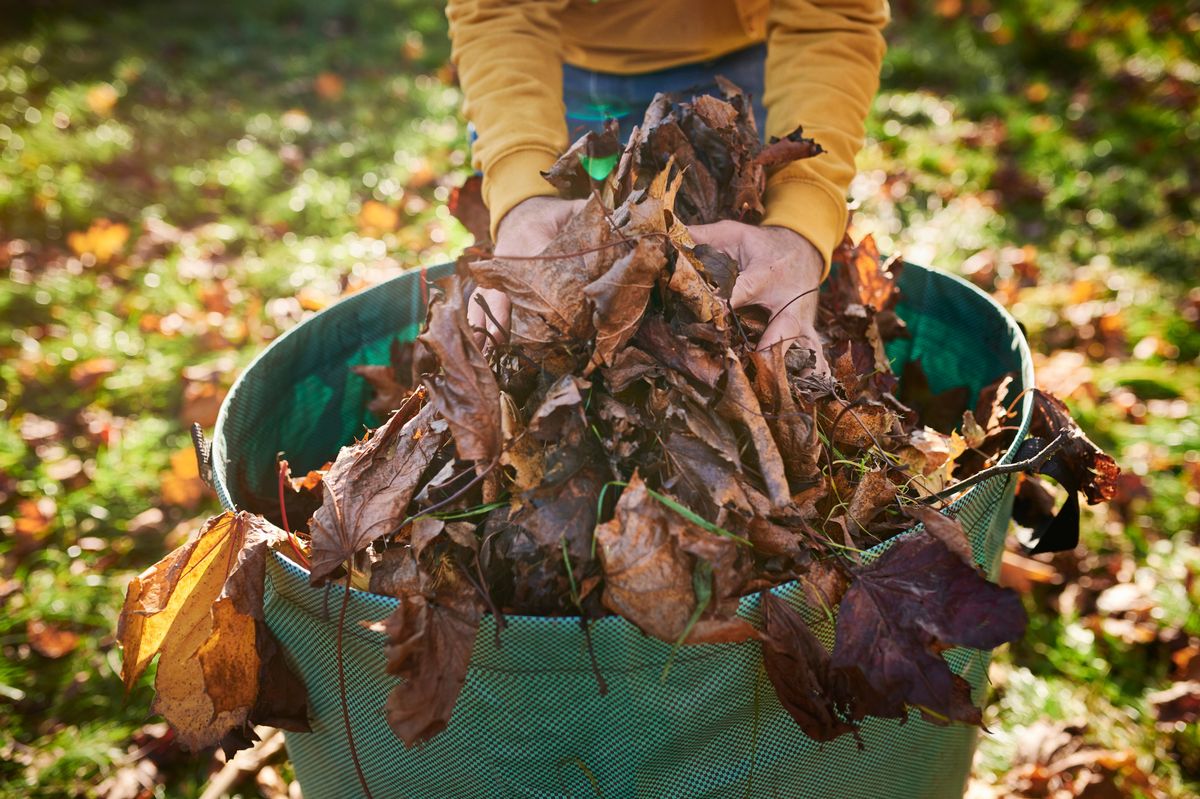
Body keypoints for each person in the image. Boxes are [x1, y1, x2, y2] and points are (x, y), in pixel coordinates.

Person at [446, 0, 889, 360]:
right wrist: (524, 197)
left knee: (759, 299)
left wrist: (798, 227)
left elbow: (830, 15)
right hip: (562, 71)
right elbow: (501, 8)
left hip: (755, 57)